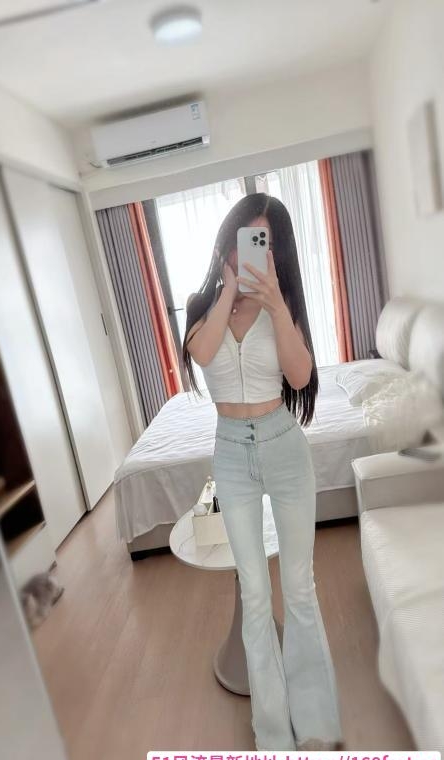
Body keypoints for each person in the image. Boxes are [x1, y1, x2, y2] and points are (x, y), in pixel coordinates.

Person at [182, 193, 344, 751]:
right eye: (245, 238)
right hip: (231, 452)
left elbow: (299, 378)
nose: (251, 250)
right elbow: (203, 354)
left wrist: (275, 304)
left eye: (264, 243)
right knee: (254, 593)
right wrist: (230, 289)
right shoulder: (201, 305)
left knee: (299, 588)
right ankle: (273, 735)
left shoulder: (285, 305)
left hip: (283, 444)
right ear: (228, 240)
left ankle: (317, 727)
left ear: (278, 252)